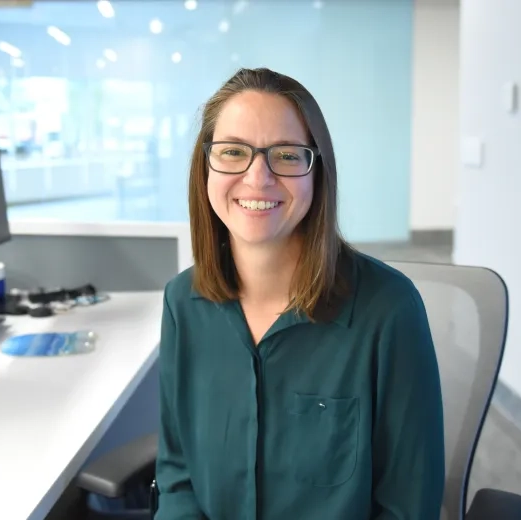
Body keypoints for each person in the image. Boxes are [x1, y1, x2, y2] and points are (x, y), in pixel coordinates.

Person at [154, 67, 445, 520]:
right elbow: (178, 478)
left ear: (317, 172)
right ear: (205, 168)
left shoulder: (388, 311)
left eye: (287, 156)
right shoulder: (182, 303)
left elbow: (408, 507)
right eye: (233, 152)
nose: (257, 178)